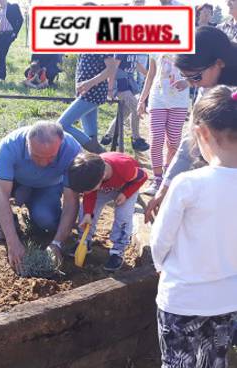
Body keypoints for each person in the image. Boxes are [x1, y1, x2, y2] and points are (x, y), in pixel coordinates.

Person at [150, 86, 237, 368]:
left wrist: (160, 264)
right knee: (215, 362)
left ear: (201, 133)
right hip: (227, 301)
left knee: (177, 364)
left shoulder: (188, 183)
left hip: (182, 299)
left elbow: (160, 241)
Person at [145, 26, 237, 223]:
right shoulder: (207, 88)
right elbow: (190, 141)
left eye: (194, 77)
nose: (192, 84)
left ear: (219, 63)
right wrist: (165, 188)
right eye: (186, 78)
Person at [0, 121, 82, 271]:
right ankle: (5, 228)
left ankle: (44, 220)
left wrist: (57, 243)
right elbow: (1, 193)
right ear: (27, 143)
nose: (43, 163)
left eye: (50, 157)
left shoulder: (72, 149)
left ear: (60, 144)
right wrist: (12, 241)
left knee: (46, 220)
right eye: (37, 156)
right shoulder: (10, 145)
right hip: (16, 182)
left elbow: (71, 200)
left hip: (47, 186)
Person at [66, 152, 147, 271]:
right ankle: (84, 241)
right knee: (85, 213)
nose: (84, 192)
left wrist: (126, 194)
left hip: (127, 186)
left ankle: (117, 251)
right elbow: (89, 194)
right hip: (102, 188)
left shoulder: (125, 168)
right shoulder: (89, 173)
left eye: (87, 189)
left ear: (102, 176)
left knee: (123, 216)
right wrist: (88, 213)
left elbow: (143, 176)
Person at [137, 54, 189, 196]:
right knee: (156, 140)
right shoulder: (154, 48)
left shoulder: (188, 45)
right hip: (157, 100)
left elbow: (199, 71)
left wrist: (187, 82)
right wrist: (142, 100)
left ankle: (168, 174)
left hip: (179, 101)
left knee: (173, 143)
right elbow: (151, 75)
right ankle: (157, 179)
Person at [57, 54, 120, 153]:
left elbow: (111, 68)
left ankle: (100, 152)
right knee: (91, 135)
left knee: (61, 125)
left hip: (92, 93)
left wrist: (90, 83)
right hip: (86, 93)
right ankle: (100, 157)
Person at [100, 54, 150, 152]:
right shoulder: (122, 51)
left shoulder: (134, 52)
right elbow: (113, 69)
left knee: (124, 114)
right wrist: (110, 90)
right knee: (136, 107)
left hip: (128, 83)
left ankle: (108, 136)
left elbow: (137, 66)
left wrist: (152, 77)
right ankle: (136, 139)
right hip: (119, 84)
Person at [0, 0, 22, 81]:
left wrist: (15, 33)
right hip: (0, 35)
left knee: (1, 56)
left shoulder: (13, 7)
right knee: (1, 56)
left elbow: (20, 20)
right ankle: (0, 76)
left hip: (8, 35)